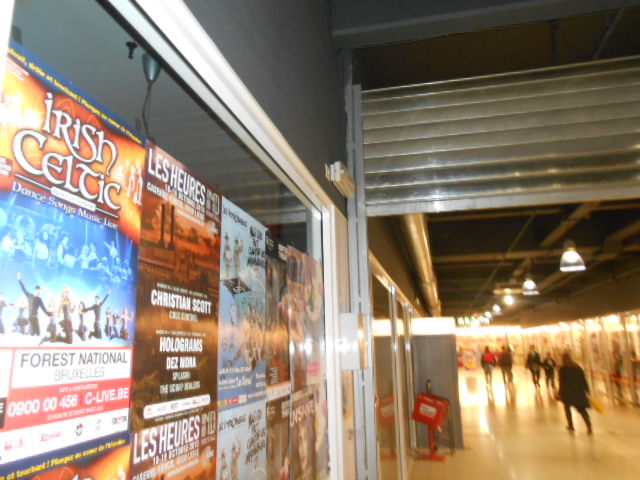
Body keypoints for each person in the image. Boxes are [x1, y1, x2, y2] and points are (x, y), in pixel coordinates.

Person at [558, 351, 592, 434]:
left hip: (567, 391)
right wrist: (587, 389)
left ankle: (571, 425)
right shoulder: (577, 367)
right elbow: (583, 379)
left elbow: (561, 382)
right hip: (578, 390)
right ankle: (589, 426)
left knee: (567, 409)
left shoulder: (563, 369)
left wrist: (560, 392)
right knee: (582, 409)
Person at [17, 272, 51, 336]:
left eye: (40, 291)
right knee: (31, 333)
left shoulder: (39, 299)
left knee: (38, 333)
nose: (39, 292)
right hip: (30, 317)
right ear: (36, 290)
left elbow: (44, 309)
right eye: (38, 290)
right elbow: (23, 288)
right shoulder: (29, 296)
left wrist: (50, 315)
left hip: (35, 318)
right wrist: (19, 279)